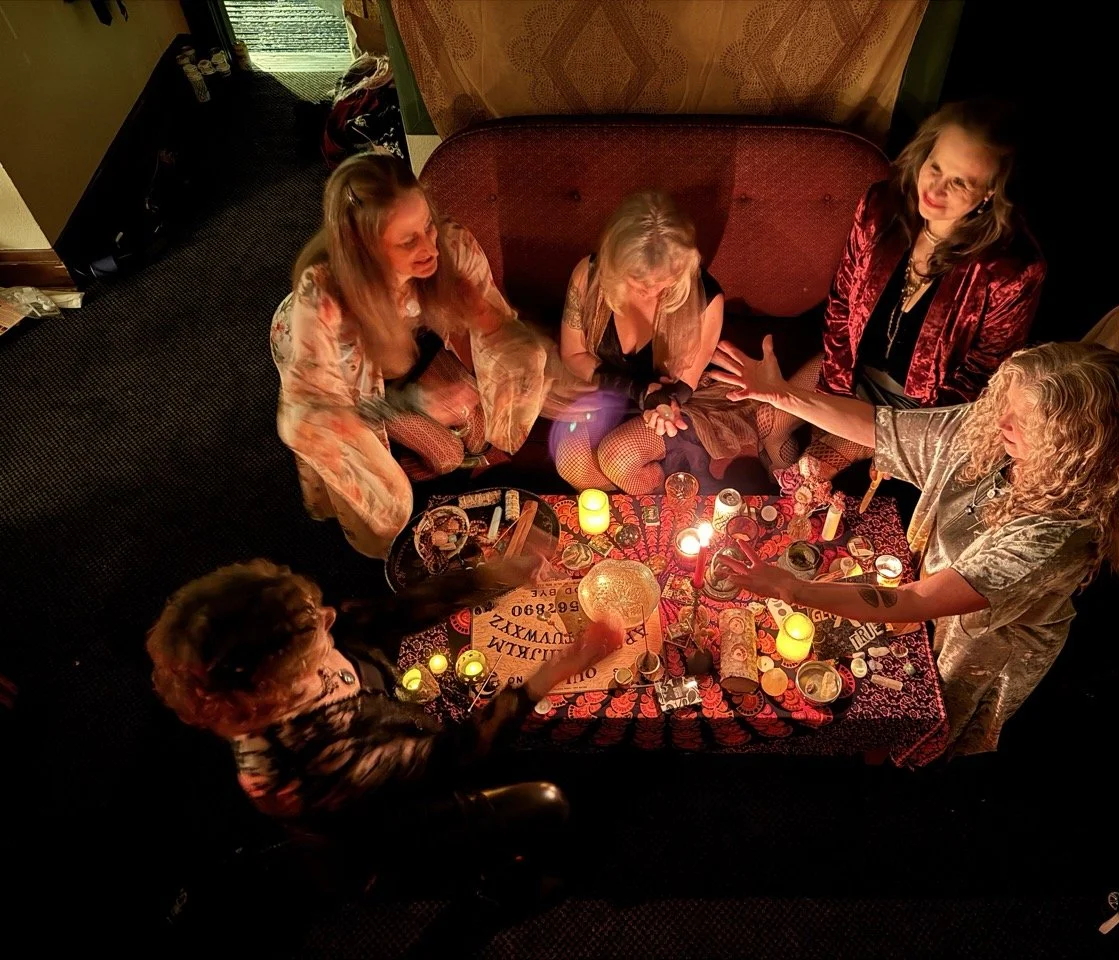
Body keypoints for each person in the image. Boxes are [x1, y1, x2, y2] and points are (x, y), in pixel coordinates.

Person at [711, 339, 1119, 755]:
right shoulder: (993, 428)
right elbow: (881, 428)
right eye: (1006, 403)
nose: (1002, 422)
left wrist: (794, 589)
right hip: (928, 573)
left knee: (937, 707)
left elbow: (918, 600)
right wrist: (783, 396)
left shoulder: (1057, 536)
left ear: (1071, 446)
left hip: (985, 636)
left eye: (1025, 422)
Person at [146, 557, 623, 851]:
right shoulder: (311, 760)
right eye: (314, 633)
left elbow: (379, 619)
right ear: (278, 684)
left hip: (394, 717)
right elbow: (452, 756)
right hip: (397, 816)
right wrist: (557, 670)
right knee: (547, 802)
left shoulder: (281, 662)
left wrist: (487, 577)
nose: (330, 617)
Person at [271, 153, 578, 558]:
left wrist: (532, 358)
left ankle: (420, 449)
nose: (430, 248)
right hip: (348, 387)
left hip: (409, 353)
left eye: (428, 226)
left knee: (478, 431)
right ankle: (397, 478)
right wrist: (421, 404)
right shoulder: (328, 303)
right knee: (446, 457)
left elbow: (497, 329)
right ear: (365, 249)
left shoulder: (447, 245)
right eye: (408, 241)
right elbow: (327, 414)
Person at [765, 100, 1045, 485]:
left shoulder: (1012, 268)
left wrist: (899, 440)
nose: (935, 188)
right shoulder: (881, 207)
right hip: (850, 372)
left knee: (813, 468)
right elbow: (842, 305)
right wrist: (834, 391)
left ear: (988, 194)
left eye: (960, 182)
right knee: (770, 424)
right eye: (935, 167)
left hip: (916, 409)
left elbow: (984, 374)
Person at [554, 191, 757, 494]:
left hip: (678, 403)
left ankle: (661, 503)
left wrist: (661, 402)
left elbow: (684, 386)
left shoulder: (706, 299)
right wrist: (637, 391)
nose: (650, 292)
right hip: (608, 388)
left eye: (663, 282)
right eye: (637, 283)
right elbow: (573, 354)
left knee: (619, 458)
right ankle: (639, 502)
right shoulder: (588, 275)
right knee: (573, 463)